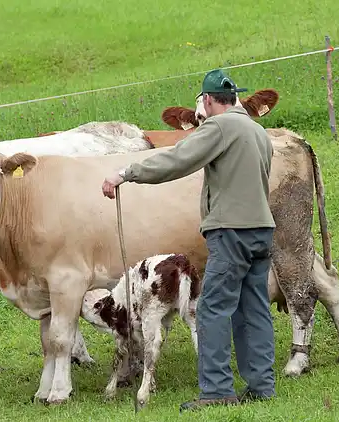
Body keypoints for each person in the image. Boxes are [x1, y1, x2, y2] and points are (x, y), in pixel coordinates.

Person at [101, 69, 277, 412]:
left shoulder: (219, 126)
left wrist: (126, 173)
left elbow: (178, 159)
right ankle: (261, 386)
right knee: (253, 309)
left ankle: (216, 391)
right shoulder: (258, 132)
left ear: (208, 101)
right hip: (261, 229)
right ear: (235, 96)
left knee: (211, 309)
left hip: (232, 232)